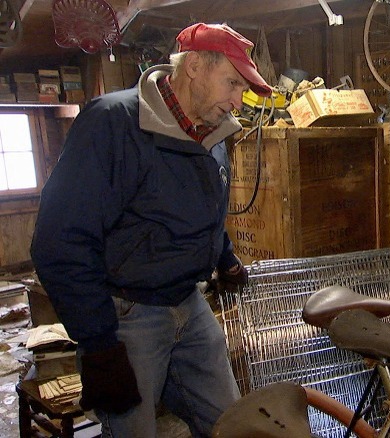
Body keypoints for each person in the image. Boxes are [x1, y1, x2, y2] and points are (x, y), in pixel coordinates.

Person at [30, 22, 271, 437]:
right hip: (127, 315)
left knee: (234, 426)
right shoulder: (113, 124)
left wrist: (224, 256)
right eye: (232, 83)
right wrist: (100, 344)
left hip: (189, 303)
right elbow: (59, 242)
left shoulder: (212, 131)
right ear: (193, 66)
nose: (237, 101)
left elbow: (201, 208)